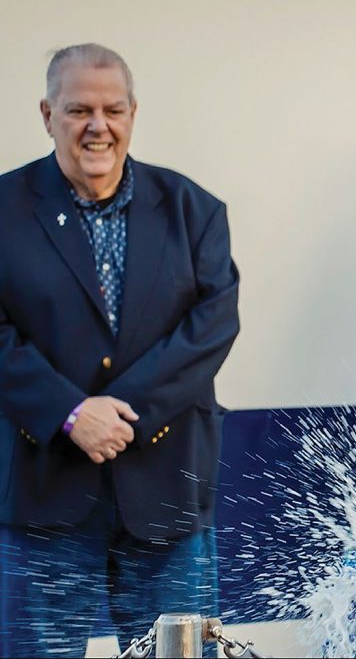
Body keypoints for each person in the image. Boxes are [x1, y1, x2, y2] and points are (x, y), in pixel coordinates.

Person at [0, 44, 240, 656]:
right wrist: (70, 414)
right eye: (79, 109)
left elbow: (213, 325)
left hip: (168, 493)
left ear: (133, 112)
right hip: (43, 493)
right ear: (46, 113)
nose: (97, 126)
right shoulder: (4, 209)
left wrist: (118, 414)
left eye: (113, 109)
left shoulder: (195, 210)